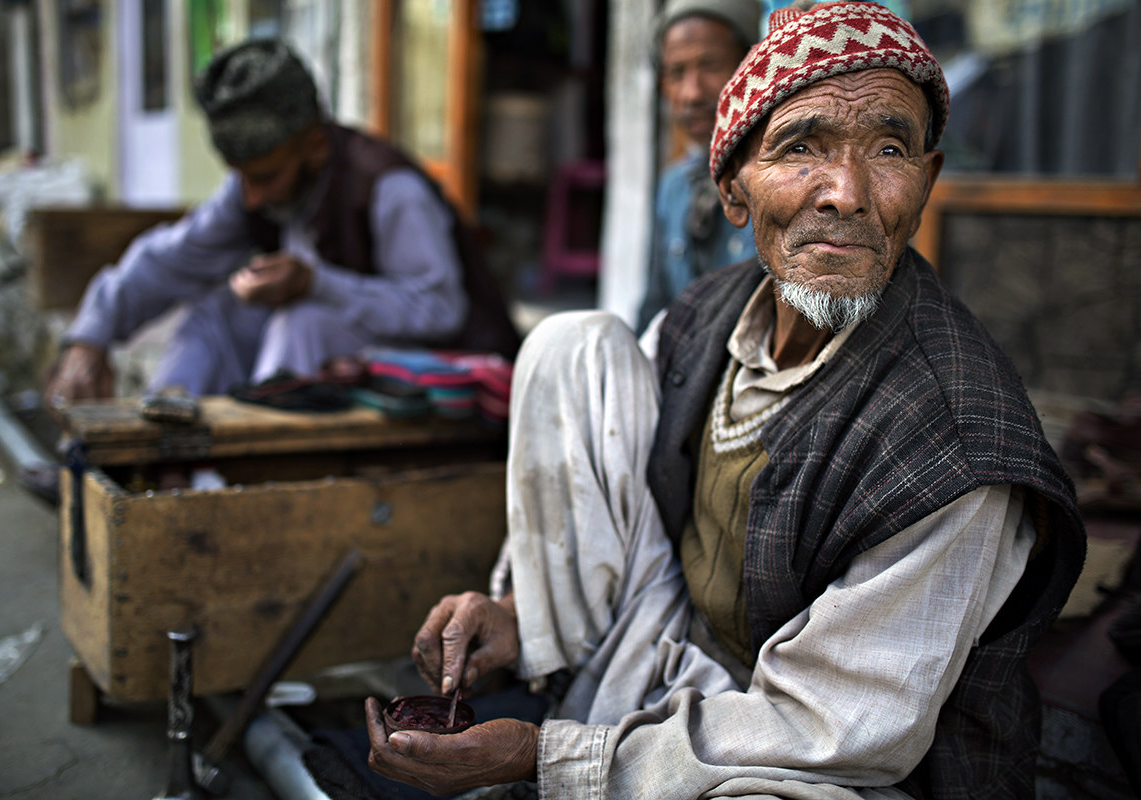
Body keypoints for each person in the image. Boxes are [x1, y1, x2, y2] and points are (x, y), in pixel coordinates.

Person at [364, 3, 1087, 799]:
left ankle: (590, 735)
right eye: (801, 147)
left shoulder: (957, 443)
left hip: (827, 752)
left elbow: (833, 729)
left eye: (889, 149)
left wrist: (544, 757)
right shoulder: (706, 313)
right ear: (734, 189)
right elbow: (603, 493)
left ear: (926, 182)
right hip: (668, 643)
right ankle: (568, 677)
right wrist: (513, 614)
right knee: (573, 346)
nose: (845, 191)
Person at [44, 38, 519, 409]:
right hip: (345, 369)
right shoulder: (257, 189)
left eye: (266, 178)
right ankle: (157, 453)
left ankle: (250, 468)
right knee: (215, 313)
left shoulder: (390, 189)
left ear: (314, 145)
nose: (253, 197)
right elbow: (171, 260)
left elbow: (441, 309)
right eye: (243, 180)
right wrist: (90, 337)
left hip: (448, 380)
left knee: (303, 324)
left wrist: (317, 283)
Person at [634, 0, 761, 333]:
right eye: (676, 72)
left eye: (710, 65)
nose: (692, 93)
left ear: (750, 68)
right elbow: (655, 305)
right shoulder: (673, 186)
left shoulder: (781, 180)